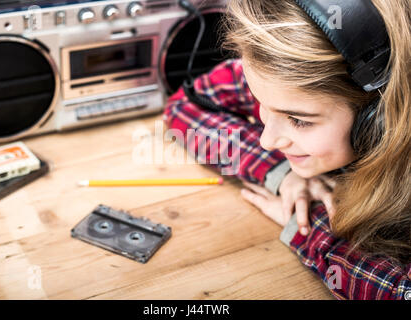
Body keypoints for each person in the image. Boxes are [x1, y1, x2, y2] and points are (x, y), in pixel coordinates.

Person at [163, 0, 410, 299]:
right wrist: (282, 172)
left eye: (297, 120)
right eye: (260, 104)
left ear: (379, 117)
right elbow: (187, 106)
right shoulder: (284, 77)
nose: (267, 142)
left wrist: (310, 226)